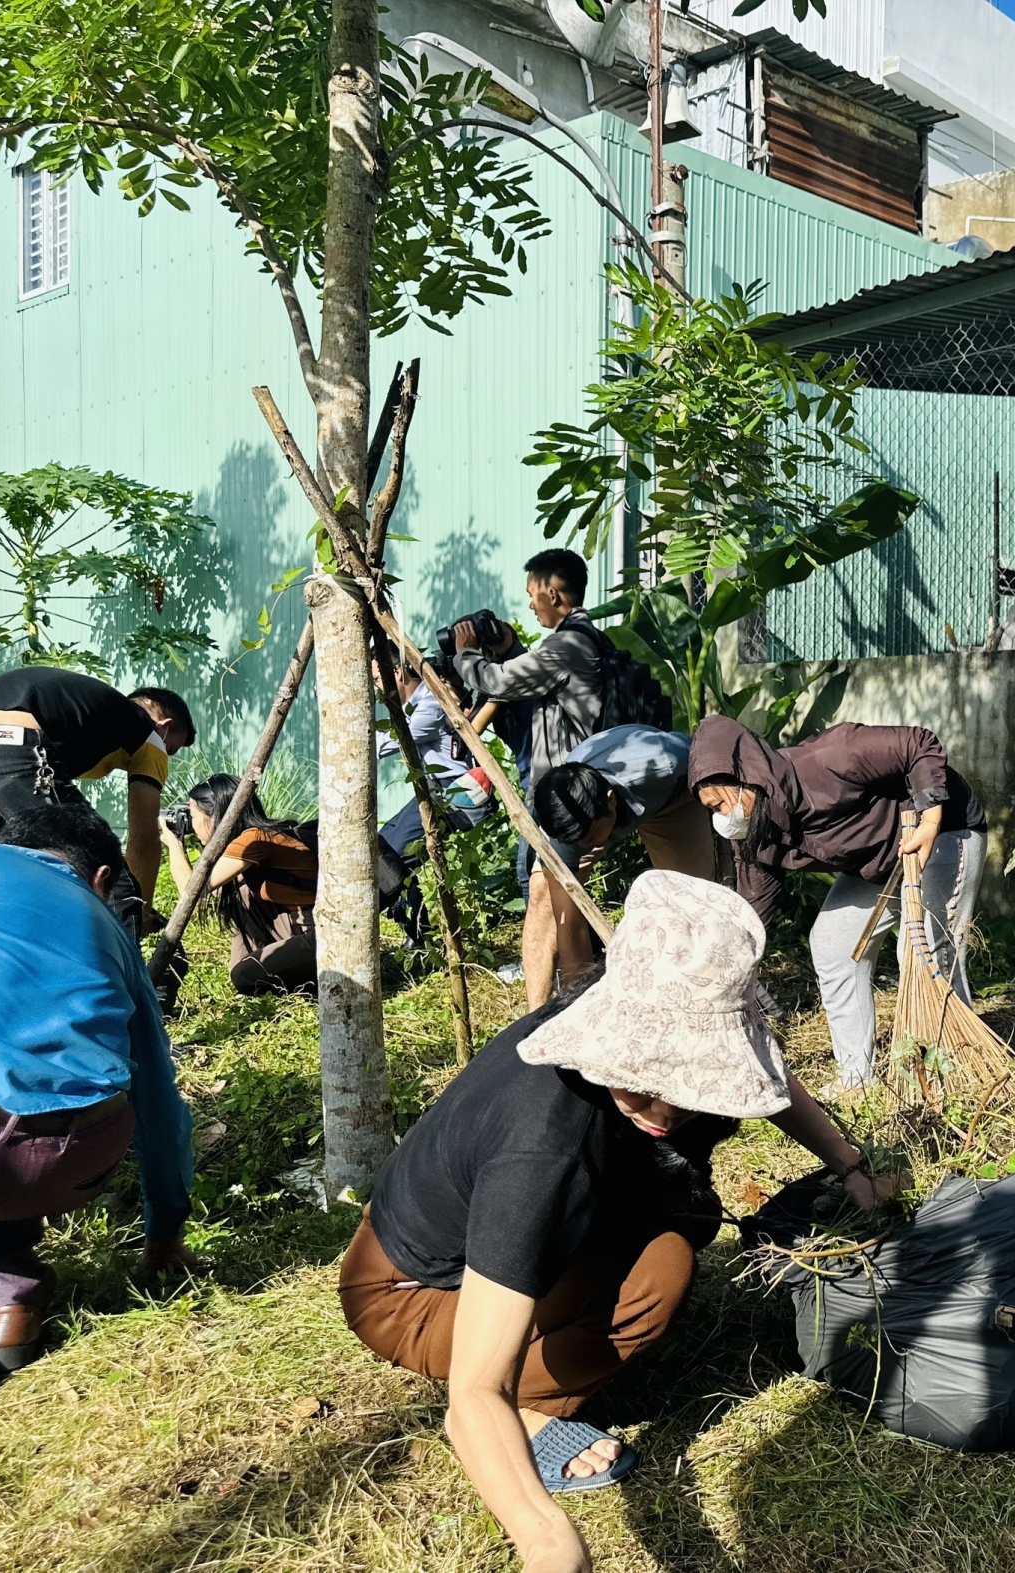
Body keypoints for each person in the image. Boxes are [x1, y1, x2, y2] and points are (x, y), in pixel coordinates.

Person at [338, 869, 891, 1573]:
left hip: (514, 1229)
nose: (663, 1108)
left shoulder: (651, 1041)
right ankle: (533, 1407)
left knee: (671, 1236)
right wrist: (549, 1540)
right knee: (656, 1278)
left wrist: (851, 1166)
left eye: (690, 1081)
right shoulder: (545, 1146)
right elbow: (476, 1387)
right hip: (412, 1292)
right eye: (647, 1077)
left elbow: (773, 1075)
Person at [0, 804, 196, 1370]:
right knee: (7, 1098)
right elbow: (158, 1096)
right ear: (102, 878)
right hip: (83, 1153)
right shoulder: (103, 923)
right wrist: (164, 1233)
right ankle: (6, 1306)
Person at [687, 716, 987, 1100]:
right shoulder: (758, 832)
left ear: (748, 775)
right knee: (832, 945)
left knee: (923, 951)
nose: (720, 817)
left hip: (942, 833)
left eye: (719, 803)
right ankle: (857, 1079)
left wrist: (929, 820)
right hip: (878, 860)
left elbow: (919, 743)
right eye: (710, 810)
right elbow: (752, 909)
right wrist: (723, 969)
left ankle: (952, 1069)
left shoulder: (830, 759)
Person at [451, 549, 609, 1006]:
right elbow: (534, 689)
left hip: (570, 798)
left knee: (547, 897)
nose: (529, 605)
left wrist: (466, 654)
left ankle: (541, 1015)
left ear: (554, 594)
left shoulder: (570, 645)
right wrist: (509, 648)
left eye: (532, 595)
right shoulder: (567, 644)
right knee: (539, 889)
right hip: (549, 793)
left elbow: (500, 683)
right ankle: (573, 992)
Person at [0, 668, 196, 927]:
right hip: (8, 741)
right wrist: (141, 915)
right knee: (103, 866)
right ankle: (123, 962)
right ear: (164, 727)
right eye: (170, 749)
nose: (164, 757)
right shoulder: (149, 735)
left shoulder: (86, 713)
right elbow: (144, 837)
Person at [531, 723, 718, 975]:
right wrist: (576, 1003)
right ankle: (539, 1013)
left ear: (611, 800)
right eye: (576, 842)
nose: (584, 847)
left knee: (692, 898)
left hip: (672, 799)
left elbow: (710, 759)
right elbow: (571, 928)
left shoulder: (666, 761)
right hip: (598, 816)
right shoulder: (565, 825)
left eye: (589, 837)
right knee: (542, 895)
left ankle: (693, 978)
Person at [159, 774, 319, 996]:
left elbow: (192, 891)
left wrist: (173, 844)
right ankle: (271, 970)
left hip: (322, 935)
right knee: (239, 891)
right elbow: (215, 893)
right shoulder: (252, 838)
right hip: (301, 925)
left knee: (244, 976)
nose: (191, 824)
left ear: (214, 815)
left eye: (193, 815)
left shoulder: (253, 839)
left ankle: (300, 980)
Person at [378, 661, 496, 943]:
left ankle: (420, 939)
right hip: (433, 790)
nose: (374, 684)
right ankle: (418, 936)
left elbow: (391, 742)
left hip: (450, 793)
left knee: (389, 858)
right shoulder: (418, 704)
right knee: (381, 850)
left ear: (397, 670)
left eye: (374, 676)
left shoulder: (430, 704)